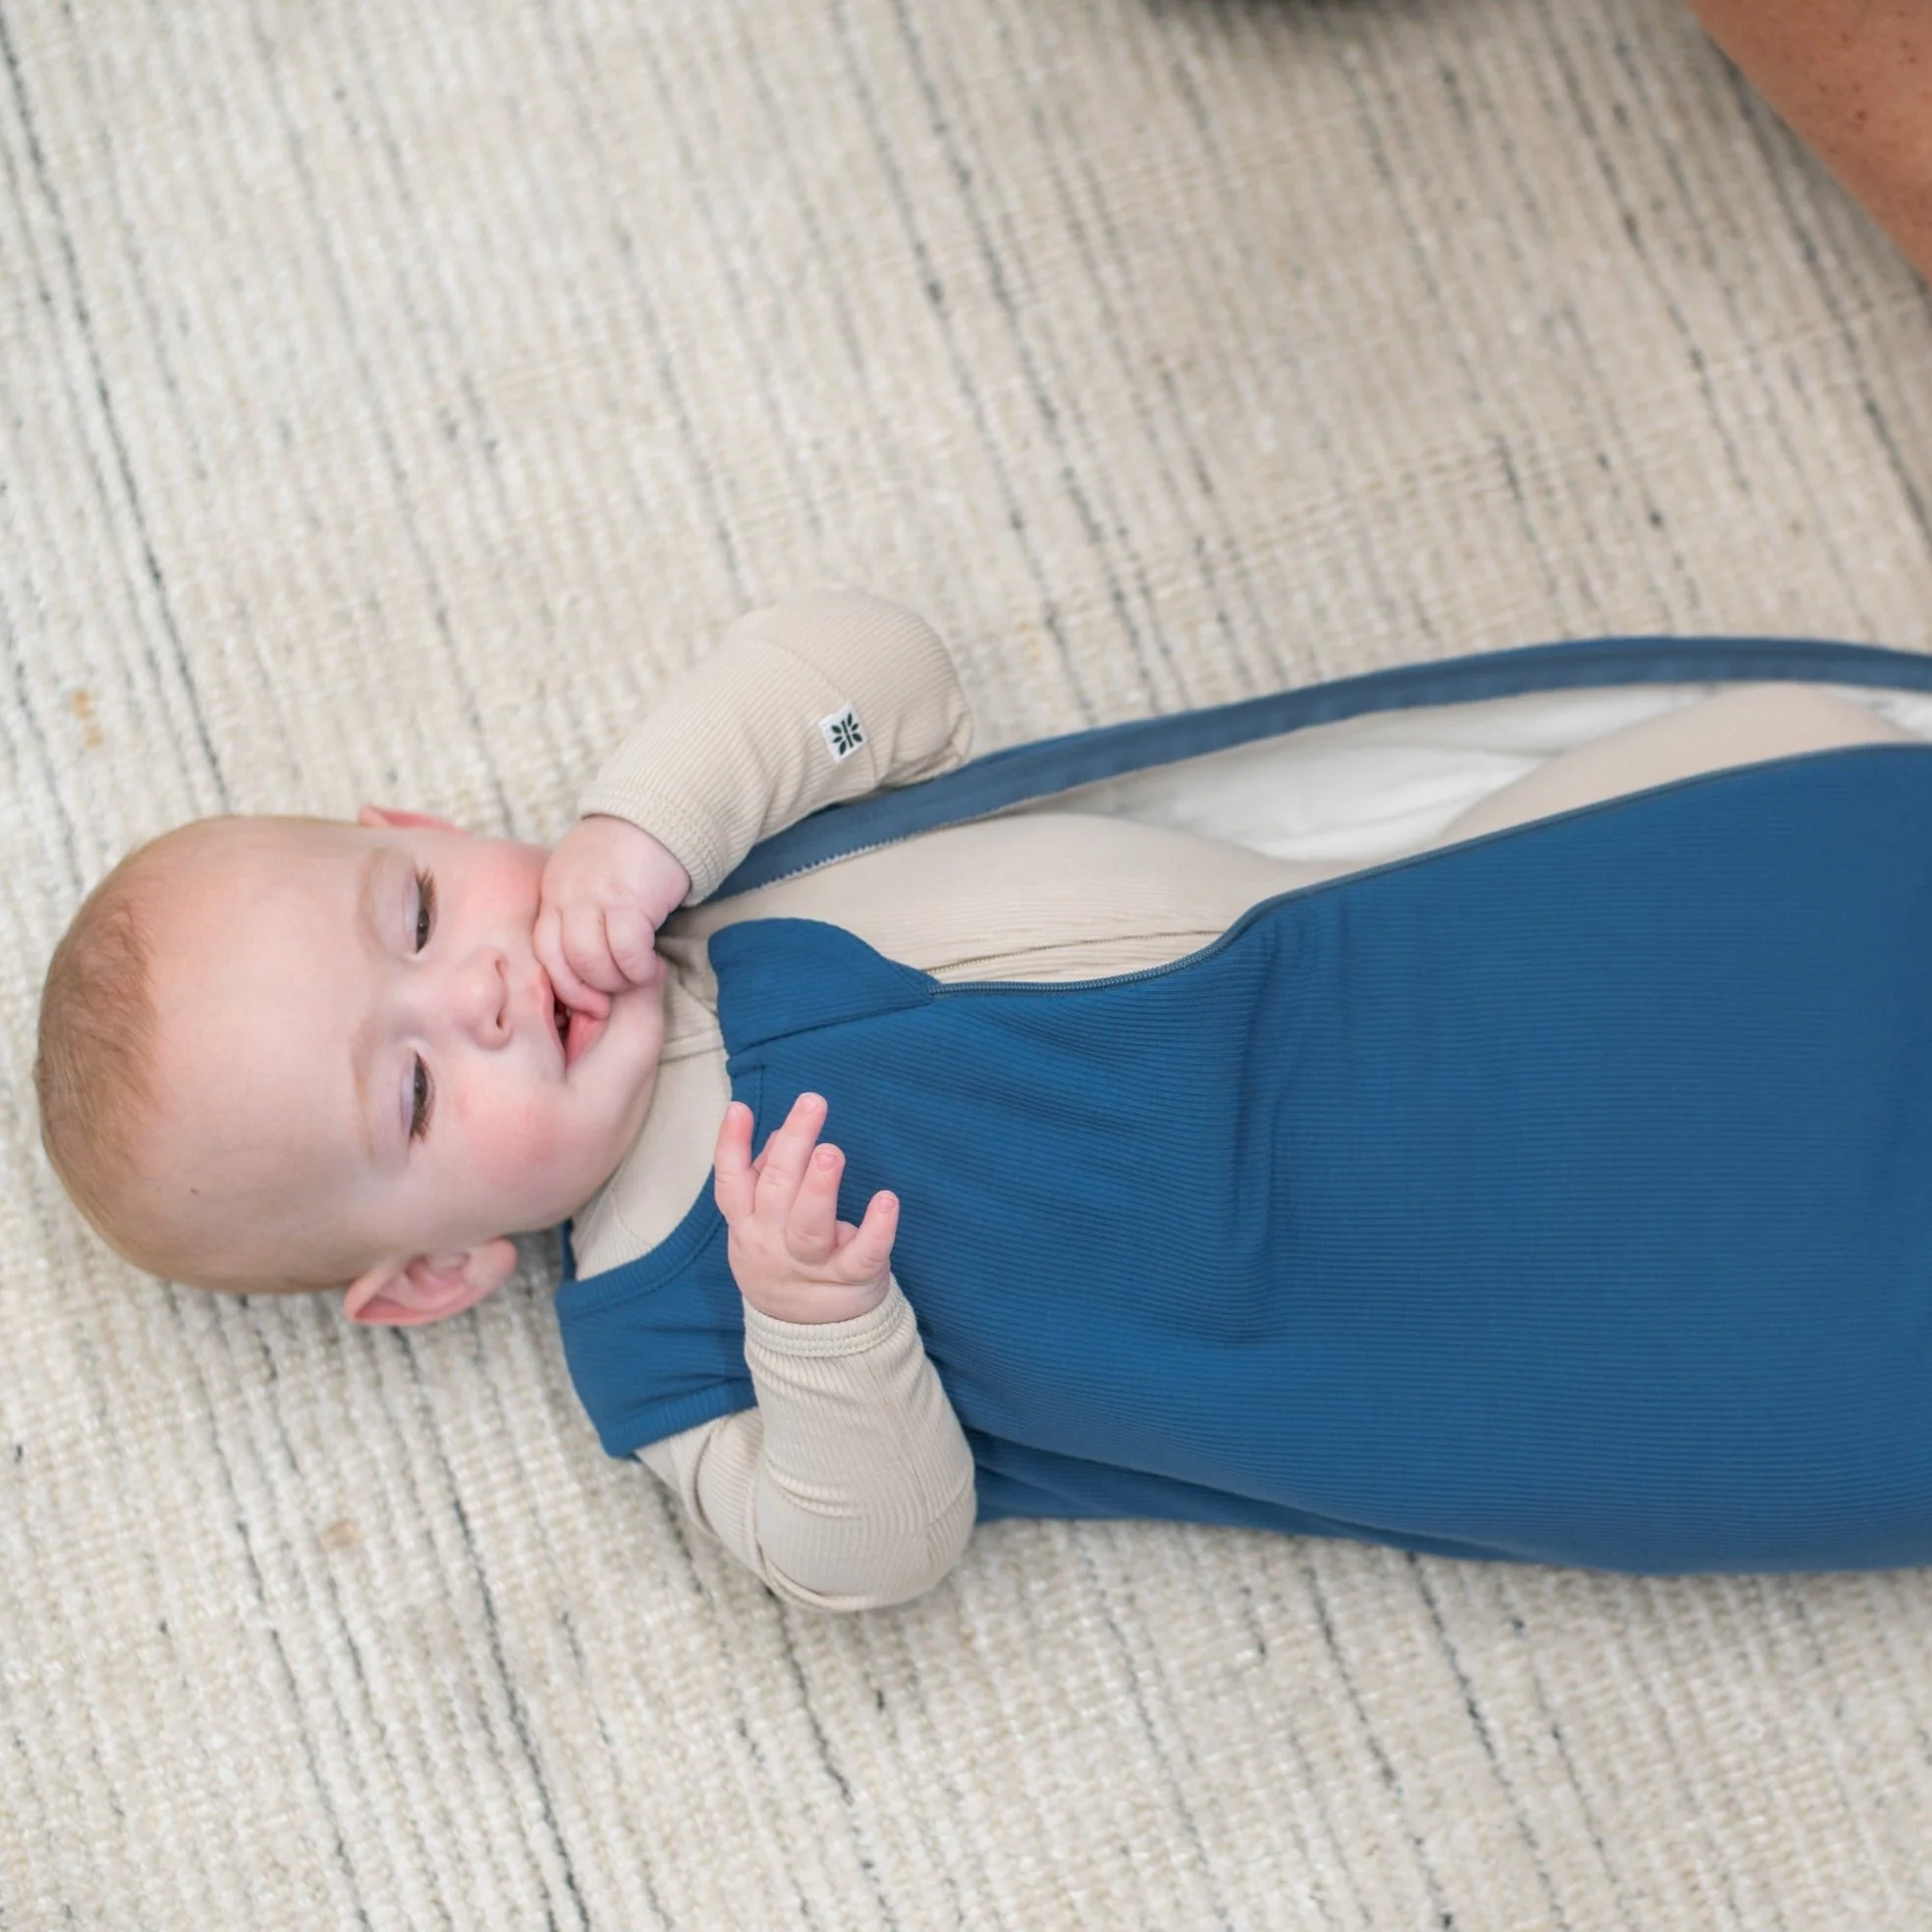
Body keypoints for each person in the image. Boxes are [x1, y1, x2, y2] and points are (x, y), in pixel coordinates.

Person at [33, 591, 1932, 1609]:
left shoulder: (710, 867)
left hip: (1416, 963)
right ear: (438, 1272)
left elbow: (881, 666)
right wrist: (818, 1326)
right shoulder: (662, 1343)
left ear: (422, 822)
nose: (474, 990)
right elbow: (864, 1554)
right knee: (1796, 1359)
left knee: (1791, 810)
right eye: (415, 1087)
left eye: (418, 914)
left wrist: (645, 817)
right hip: (1398, 1295)